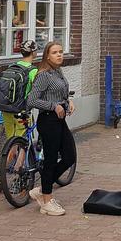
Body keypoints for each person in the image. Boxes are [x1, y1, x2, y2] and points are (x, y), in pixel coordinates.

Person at [27, 42, 77, 216]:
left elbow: (61, 94)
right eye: (55, 52)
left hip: (59, 121)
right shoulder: (43, 75)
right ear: (47, 56)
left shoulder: (58, 72)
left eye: (61, 52)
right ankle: (46, 201)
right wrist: (52, 106)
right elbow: (31, 100)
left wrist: (68, 101)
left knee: (70, 156)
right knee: (49, 160)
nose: (59, 55)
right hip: (48, 121)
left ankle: (42, 189)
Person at [0, 40, 40, 193]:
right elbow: (37, 91)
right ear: (34, 53)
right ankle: (18, 174)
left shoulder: (12, 67)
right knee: (23, 143)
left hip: (6, 110)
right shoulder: (33, 71)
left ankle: (2, 172)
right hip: (22, 111)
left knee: (11, 141)